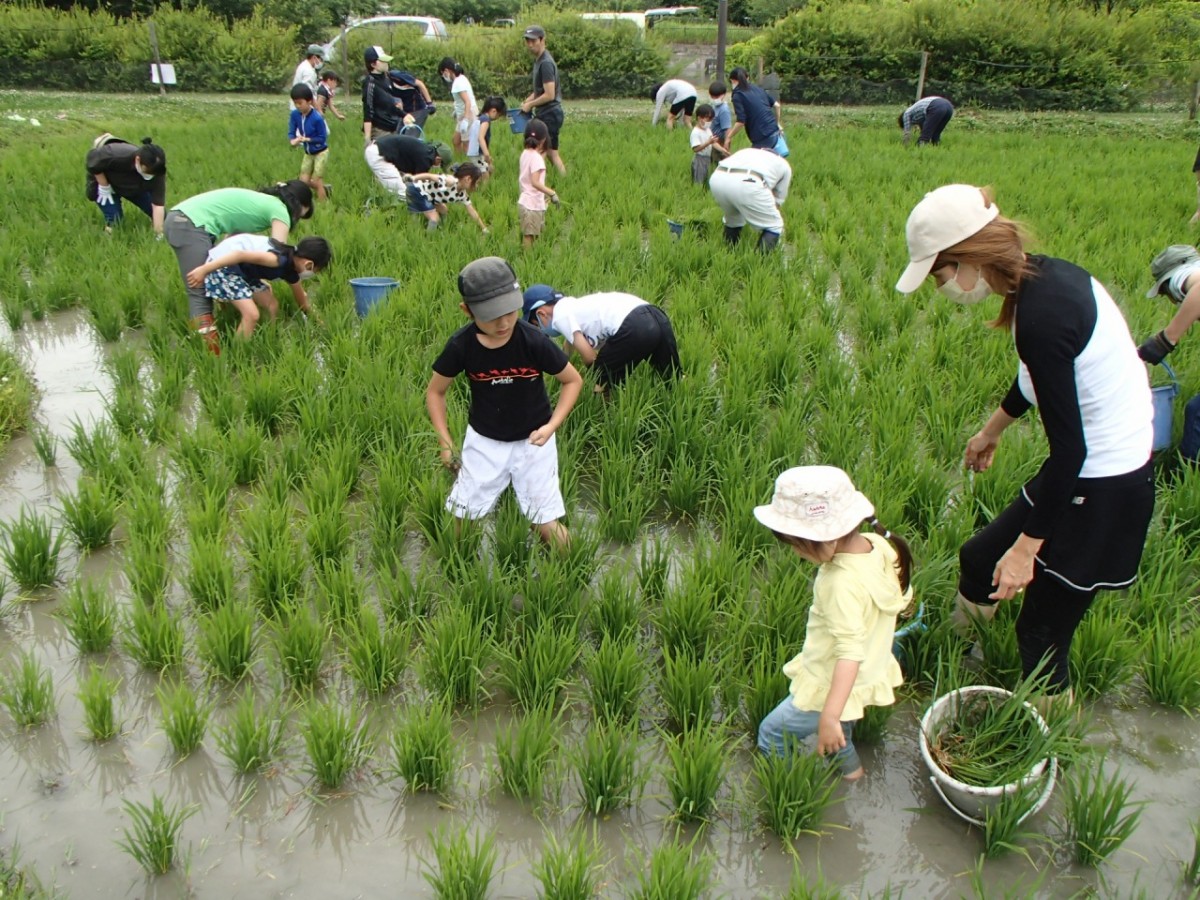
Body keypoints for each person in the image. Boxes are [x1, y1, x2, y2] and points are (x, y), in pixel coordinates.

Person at [895, 184, 1155, 698]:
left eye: (940, 274)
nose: (941, 287)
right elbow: (1039, 380)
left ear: (969, 257)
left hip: (1106, 483)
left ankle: (1049, 743)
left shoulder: (1041, 315)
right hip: (1086, 471)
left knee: (1041, 635)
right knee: (978, 560)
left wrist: (1025, 550)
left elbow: (1071, 453)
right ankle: (962, 659)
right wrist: (990, 431)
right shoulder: (1044, 279)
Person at [753, 466, 911, 782]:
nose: (797, 553)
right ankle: (852, 775)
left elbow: (849, 652)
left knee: (771, 734)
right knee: (840, 732)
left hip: (830, 685)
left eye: (798, 545)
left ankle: (789, 792)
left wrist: (829, 713)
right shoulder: (877, 546)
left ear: (825, 539)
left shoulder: (838, 583)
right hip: (862, 678)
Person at [425, 256, 583, 549]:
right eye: (492, 315)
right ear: (467, 311)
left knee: (543, 522)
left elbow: (572, 381)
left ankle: (579, 572)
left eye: (511, 311)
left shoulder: (532, 340)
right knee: (465, 516)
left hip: (535, 441)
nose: (504, 322)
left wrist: (551, 426)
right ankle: (456, 573)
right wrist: (444, 441)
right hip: (484, 441)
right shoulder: (462, 345)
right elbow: (435, 392)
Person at [164, 181, 313, 354]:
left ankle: (223, 334)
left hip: (183, 220)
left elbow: (230, 243)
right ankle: (212, 359)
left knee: (215, 277)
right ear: (301, 205)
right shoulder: (280, 210)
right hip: (188, 224)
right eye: (303, 215)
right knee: (199, 290)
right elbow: (277, 253)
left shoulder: (262, 202)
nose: (297, 219)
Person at [522, 285, 680, 393]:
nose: (540, 329)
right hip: (656, 315)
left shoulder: (559, 317)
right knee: (672, 376)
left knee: (601, 378)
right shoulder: (572, 306)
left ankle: (605, 417)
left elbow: (589, 356)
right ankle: (685, 401)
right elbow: (570, 342)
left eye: (535, 324)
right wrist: (562, 363)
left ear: (541, 314)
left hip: (634, 325)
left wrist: (591, 374)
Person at [185, 235, 329, 338]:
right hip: (223, 267)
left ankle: (270, 338)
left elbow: (302, 302)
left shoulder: (292, 268)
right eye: (315, 271)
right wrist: (204, 270)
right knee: (252, 314)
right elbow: (238, 255)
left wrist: (320, 324)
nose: (312, 273)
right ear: (309, 264)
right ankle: (240, 356)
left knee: (272, 305)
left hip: (244, 272)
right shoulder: (277, 259)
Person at [1140, 244, 1200, 460]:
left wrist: (1166, 339)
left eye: (1165, 290)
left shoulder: (1185, 276)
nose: (1171, 299)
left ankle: (1190, 478)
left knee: (1197, 414)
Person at [709, 145, 791, 251]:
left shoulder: (747, 151)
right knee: (774, 226)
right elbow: (777, 201)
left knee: (733, 220)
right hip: (749, 182)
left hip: (717, 179)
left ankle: (729, 253)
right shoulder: (784, 164)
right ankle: (760, 264)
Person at [85, 134, 167, 236]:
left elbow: (158, 205)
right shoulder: (117, 154)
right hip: (107, 184)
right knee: (115, 220)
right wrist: (104, 186)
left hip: (134, 186)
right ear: (138, 160)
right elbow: (93, 161)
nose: (150, 175)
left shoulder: (157, 172)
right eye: (147, 171)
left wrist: (158, 233)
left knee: (163, 218)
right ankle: (107, 238)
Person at [520, 25, 566, 175]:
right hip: (547, 113)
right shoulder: (539, 60)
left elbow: (549, 94)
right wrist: (527, 102)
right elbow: (538, 91)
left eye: (533, 41)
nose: (530, 44)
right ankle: (562, 180)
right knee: (551, 153)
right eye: (528, 41)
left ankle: (535, 185)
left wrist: (531, 105)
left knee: (540, 152)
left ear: (542, 40)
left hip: (550, 114)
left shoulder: (545, 63)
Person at [403, 164, 489, 233]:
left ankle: (443, 229)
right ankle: (428, 239)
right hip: (418, 191)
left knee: (444, 210)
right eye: (476, 183)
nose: (477, 186)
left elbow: (472, 211)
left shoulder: (462, 194)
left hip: (431, 197)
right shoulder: (450, 181)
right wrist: (413, 178)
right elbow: (429, 176)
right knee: (434, 219)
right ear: (468, 179)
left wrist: (484, 228)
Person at [365, 134, 453, 199]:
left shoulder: (424, 150)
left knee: (398, 184)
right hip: (378, 155)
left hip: (378, 149)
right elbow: (419, 183)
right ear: (438, 159)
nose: (437, 166)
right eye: (440, 164)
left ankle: (382, 199)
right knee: (403, 193)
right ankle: (395, 212)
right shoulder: (425, 159)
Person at [518, 119, 558, 249]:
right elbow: (535, 182)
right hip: (531, 204)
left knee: (532, 233)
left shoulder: (525, 154)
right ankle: (528, 260)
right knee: (529, 235)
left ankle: (532, 256)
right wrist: (551, 193)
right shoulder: (537, 158)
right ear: (543, 140)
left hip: (527, 201)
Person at [288, 84, 329, 202]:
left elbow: (322, 138)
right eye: (295, 103)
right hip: (308, 152)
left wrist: (308, 139)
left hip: (321, 152)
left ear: (309, 101)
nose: (297, 106)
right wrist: (293, 140)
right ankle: (322, 191)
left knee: (317, 179)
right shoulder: (295, 115)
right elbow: (291, 131)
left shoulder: (317, 118)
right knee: (303, 181)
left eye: (300, 103)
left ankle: (324, 205)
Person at [726, 67, 783, 151]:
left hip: (762, 137)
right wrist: (777, 123)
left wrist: (728, 137)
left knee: (755, 163)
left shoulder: (738, 95)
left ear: (732, 80)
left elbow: (741, 122)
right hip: (775, 133)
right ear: (748, 78)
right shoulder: (758, 89)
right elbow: (777, 105)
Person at [362, 45, 403, 143]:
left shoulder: (386, 78)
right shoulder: (369, 83)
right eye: (383, 61)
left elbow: (391, 101)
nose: (386, 63)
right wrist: (367, 138)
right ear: (373, 64)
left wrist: (402, 113)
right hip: (380, 131)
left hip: (393, 127)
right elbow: (368, 111)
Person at [439, 57, 478, 156]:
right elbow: (462, 100)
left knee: (466, 144)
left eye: (443, 73)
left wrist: (465, 119)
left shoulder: (458, 83)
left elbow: (467, 102)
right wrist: (456, 110)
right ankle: (460, 161)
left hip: (468, 114)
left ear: (447, 70)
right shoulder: (461, 78)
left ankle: (469, 166)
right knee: (456, 141)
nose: (444, 76)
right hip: (463, 114)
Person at [468, 96, 506, 176]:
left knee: (488, 169)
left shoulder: (480, 118)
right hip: (477, 153)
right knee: (485, 174)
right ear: (494, 111)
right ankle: (484, 188)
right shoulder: (485, 120)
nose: (497, 118)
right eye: (498, 115)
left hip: (474, 151)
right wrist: (487, 154)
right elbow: (481, 137)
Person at [689, 104, 726, 184]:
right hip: (700, 159)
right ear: (699, 118)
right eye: (707, 119)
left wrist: (723, 150)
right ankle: (696, 194)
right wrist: (708, 142)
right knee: (698, 181)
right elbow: (696, 149)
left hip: (708, 158)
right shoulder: (696, 132)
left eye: (711, 120)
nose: (709, 122)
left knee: (706, 179)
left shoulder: (707, 129)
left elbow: (713, 143)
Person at [709, 81, 732, 148]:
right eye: (713, 97)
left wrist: (726, 143)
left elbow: (727, 129)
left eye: (717, 97)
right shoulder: (713, 106)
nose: (715, 99)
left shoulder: (724, 110)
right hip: (712, 139)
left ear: (723, 95)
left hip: (719, 141)